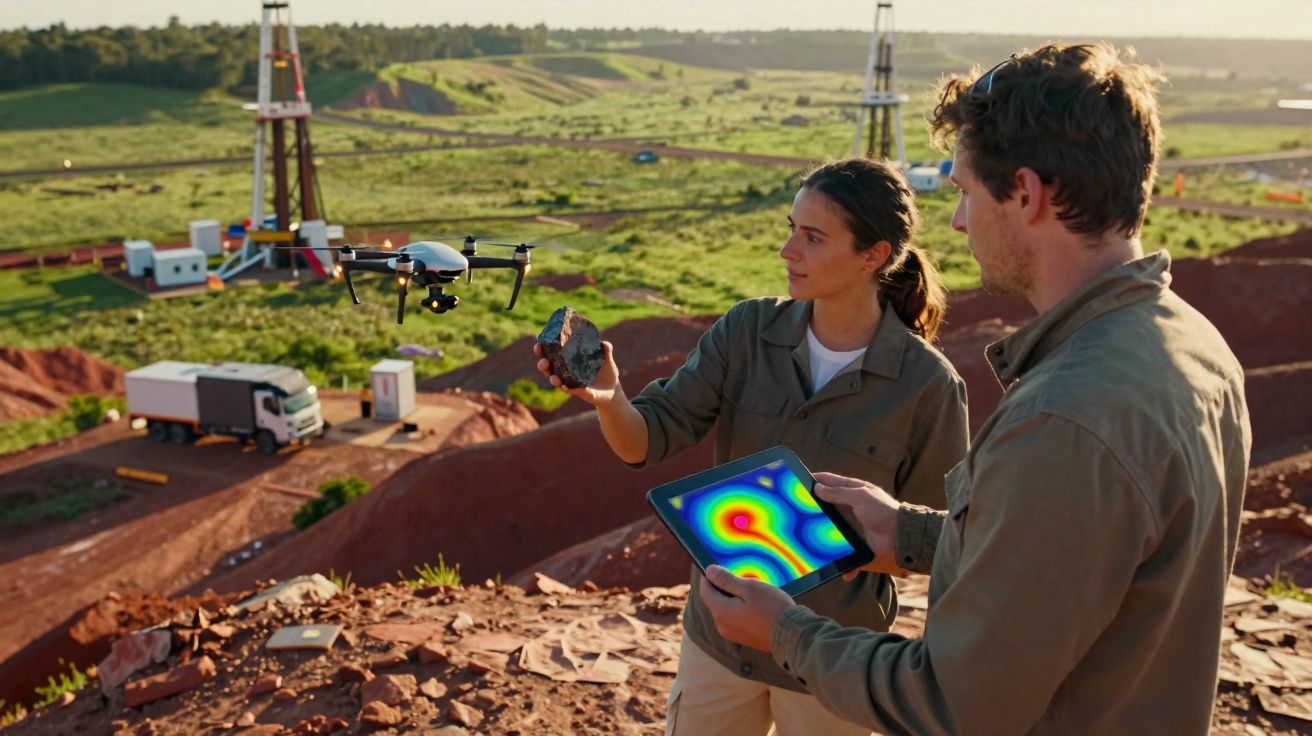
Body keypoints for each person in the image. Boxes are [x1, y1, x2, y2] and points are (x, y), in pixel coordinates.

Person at [699, 42, 1252, 735]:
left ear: (1026, 192)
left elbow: (953, 704)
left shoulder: (1066, 417)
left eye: (964, 190)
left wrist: (786, 631)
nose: (958, 222)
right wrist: (908, 533)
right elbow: (1080, 562)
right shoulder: (1193, 347)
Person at [535, 157, 969, 736]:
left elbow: (936, 540)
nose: (788, 250)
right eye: (790, 229)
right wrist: (610, 396)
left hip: (832, 659)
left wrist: (815, 543)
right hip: (718, 640)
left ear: (874, 254)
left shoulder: (929, 386)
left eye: (812, 238)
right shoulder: (746, 332)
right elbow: (647, 439)